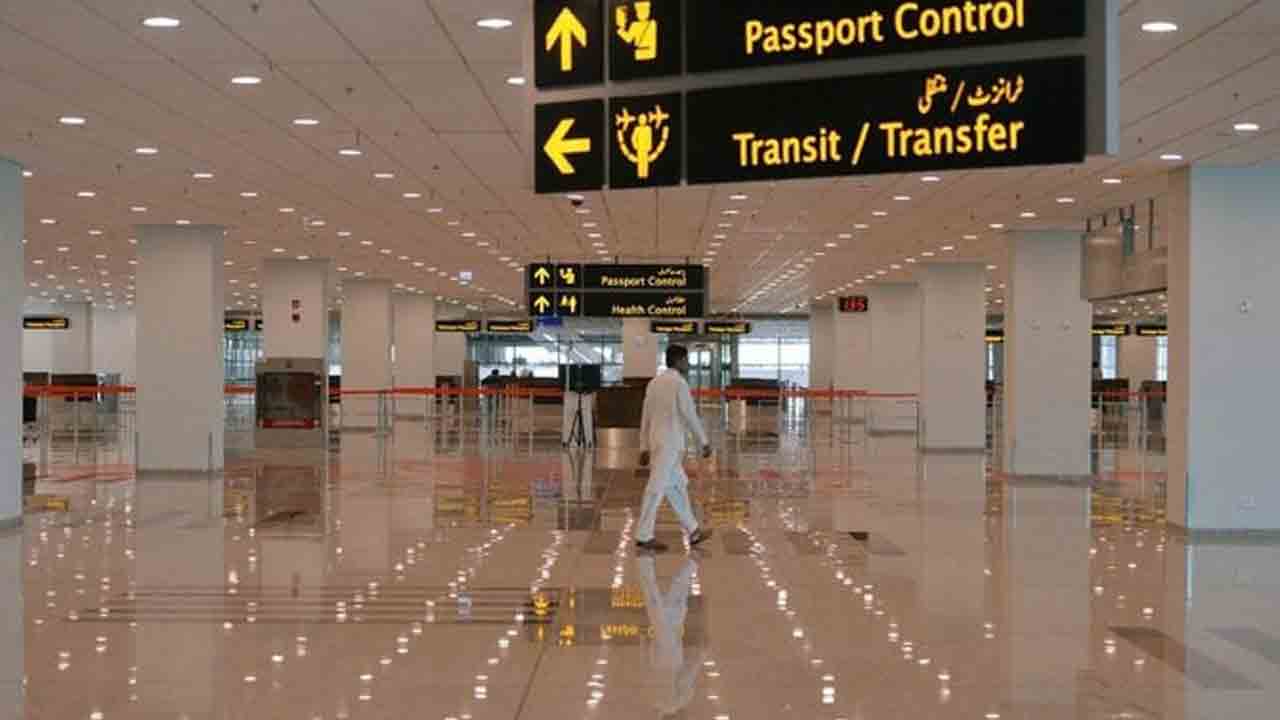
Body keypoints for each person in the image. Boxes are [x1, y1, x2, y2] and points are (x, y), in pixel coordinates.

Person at [636, 345, 713, 552]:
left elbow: (645, 416)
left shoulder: (653, 383)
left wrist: (644, 446)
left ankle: (693, 530)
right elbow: (690, 414)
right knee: (655, 488)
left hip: (658, 442)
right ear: (679, 361)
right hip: (670, 444)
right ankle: (644, 535)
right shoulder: (679, 383)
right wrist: (704, 441)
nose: (688, 364)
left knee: (677, 486)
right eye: (686, 360)